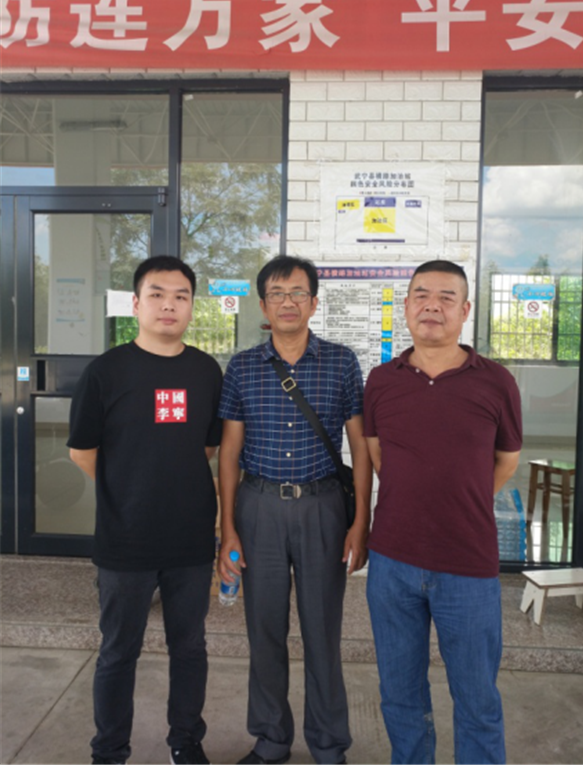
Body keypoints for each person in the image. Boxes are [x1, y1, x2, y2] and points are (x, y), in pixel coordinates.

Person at [364, 260, 522, 765]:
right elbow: (378, 455)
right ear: (406, 306)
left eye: (446, 297)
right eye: (421, 295)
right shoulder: (381, 380)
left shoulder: (496, 381)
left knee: (477, 698)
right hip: (392, 562)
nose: (432, 306)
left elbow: (507, 460)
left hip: (468, 564)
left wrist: (461, 499)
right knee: (400, 694)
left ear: (465, 310)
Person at [68, 255, 223, 765]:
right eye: (157, 294)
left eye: (180, 296)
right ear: (136, 304)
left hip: (190, 541)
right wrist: (129, 489)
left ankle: (186, 741)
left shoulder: (206, 371)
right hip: (124, 540)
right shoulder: (105, 371)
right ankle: (109, 751)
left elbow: (206, 447)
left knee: (190, 648)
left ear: (192, 307)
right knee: (118, 652)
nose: (168, 305)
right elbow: (82, 452)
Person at [218, 255, 372, 765]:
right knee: (264, 631)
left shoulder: (342, 362)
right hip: (258, 508)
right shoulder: (242, 367)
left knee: (322, 631)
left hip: (323, 509)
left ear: (314, 302)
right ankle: (271, 740)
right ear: (263, 305)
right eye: (277, 294)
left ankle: (328, 744)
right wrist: (227, 529)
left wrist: (361, 522)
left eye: (298, 292)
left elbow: (360, 447)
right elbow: (230, 453)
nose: (288, 302)